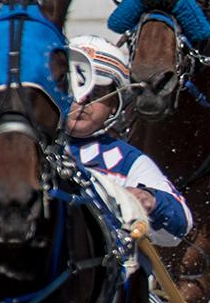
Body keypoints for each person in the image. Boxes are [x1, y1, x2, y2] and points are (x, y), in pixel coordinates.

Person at [66, 35, 193, 247]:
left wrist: (150, 199)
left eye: (96, 91)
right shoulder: (18, 144)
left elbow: (180, 226)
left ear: (114, 105)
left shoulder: (128, 162)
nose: (82, 100)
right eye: (73, 87)